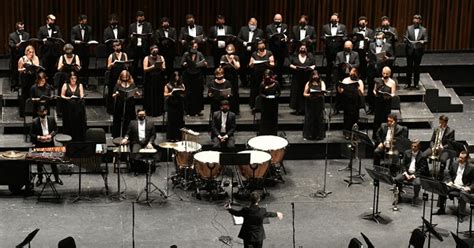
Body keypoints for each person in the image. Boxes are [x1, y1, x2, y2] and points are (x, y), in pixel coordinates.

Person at [30, 106, 62, 186]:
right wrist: (39, 137)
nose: (42, 113)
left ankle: (57, 178)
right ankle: (40, 179)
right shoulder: (34, 122)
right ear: (38, 113)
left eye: (43, 112)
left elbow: (56, 130)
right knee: (39, 163)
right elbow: (31, 134)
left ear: (46, 111)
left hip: (50, 143)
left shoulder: (51, 119)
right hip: (39, 144)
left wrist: (51, 136)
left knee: (53, 162)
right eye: (40, 112)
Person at [435, 151, 474, 215]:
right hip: (453, 185)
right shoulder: (454, 163)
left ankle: (461, 213)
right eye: (459, 157)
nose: (460, 159)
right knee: (442, 188)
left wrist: (469, 187)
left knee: (463, 194)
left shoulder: (471, 167)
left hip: (463, 187)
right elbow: (449, 174)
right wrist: (450, 181)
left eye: (462, 158)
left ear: (466, 159)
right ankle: (441, 209)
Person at [393, 139, 428, 205]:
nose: (413, 148)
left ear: (419, 147)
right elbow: (403, 164)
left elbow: (422, 169)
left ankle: (415, 197)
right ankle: (398, 197)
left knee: (417, 183)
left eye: (415, 146)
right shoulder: (407, 152)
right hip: (407, 173)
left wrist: (413, 175)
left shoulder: (423, 155)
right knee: (397, 179)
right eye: (412, 146)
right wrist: (406, 173)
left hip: (416, 174)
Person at [366, 32, 394, 114]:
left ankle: (380, 108)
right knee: (371, 90)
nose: (378, 40)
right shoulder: (371, 45)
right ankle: (371, 108)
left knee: (381, 90)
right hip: (372, 70)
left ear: (383, 39)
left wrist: (387, 58)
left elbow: (393, 57)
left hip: (382, 72)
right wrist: (367, 58)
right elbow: (368, 55)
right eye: (377, 38)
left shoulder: (388, 46)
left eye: (380, 38)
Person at [180, 41, 207, 116]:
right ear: (190, 47)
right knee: (188, 93)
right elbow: (182, 63)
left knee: (197, 93)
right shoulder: (186, 54)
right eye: (193, 46)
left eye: (196, 46)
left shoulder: (199, 54)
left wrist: (204, 64)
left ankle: (198, 110)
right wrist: (185, 64)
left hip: (197, 75)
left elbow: (204, 62)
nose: (194, 48)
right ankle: (187, 110)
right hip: (188, 75)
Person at [289, 44, 316, 115]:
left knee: (306, 91)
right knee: (297, 92)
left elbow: (314, 65)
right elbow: (290, 64)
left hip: (307, 77)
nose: (303, 49)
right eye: (301, 48)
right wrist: (295, 68)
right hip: (297, 78)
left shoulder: (310, 56)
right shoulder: (295, 55)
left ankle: (306, 109)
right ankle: (298, 109)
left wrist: (310, 68)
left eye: (304, 48)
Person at [237, 17, 264, 87]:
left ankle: (253, 82)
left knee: (254, 68)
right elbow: (238, 38)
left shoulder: (260, 31)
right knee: (242, 68)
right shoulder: (243, 29)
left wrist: (259, 42)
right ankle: (244, 82)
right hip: (244, 52)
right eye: (251, 24)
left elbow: (262, 40)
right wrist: (243, 42)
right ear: (248, 23)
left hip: (254, 53)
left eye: (254, 24)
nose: (253, 26)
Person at [320, 13, 347, 84]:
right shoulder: (325, 27)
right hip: (329, 49)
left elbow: (345, 36)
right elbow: (321, 37)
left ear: (338, 19)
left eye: (335, 19)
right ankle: (328, 82)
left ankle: (339, 82)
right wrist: (325, 38)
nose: (333, 21)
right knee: (329, 66)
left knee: (339, 65)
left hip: (339, 49)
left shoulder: (343, 27)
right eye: (332, 20)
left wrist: (341, 38)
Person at [337, 68, 364, 139]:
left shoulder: (359, 81)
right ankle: (347, 134)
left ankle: (355, 133)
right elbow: (341, 91)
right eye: (352, 72)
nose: (353, 73)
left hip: (355, 102)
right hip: (347, 102)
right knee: (347, 118)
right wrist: (339, 87)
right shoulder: (345, 80)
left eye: (354, 72)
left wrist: (358, 89)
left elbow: (361, 94)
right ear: (349, 73)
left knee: (355, 118)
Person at [112, 70, 139, 138]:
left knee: (129, 119)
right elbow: (113, 95)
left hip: (130, 103)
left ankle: (129, 134)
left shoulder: (132, 84)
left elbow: (136, 93)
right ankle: (117, 135)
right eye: (123, 78)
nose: (125, 79)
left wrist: (136, 93)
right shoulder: (118, 84)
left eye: (126, 78)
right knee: (118, 119)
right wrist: (116, 94)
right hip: (120, 103)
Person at [128, 11, 153, 83]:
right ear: (136, 17)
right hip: (135, 48)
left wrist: (147, 36)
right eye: (140, 16)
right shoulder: (132, 26)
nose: (141, 17)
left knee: (144, 65)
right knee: (134, 66)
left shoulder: (148, 25)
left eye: (142, 16)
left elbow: (151, 35)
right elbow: (129, 36)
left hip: (144, 47)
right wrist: (132, 37)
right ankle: (133, 82)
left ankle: (144, 82)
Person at [60, 72, 86, 141]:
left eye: (75, 78)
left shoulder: (80, 85)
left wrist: (81, 97)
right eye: (72, 78)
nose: (73, 80)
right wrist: (68, 98)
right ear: (69, 79)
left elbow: (82, 95)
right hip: (68, 106)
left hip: (77, 106)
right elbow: (62, 95)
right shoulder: (65, 85)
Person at [404, 14, 428, 90]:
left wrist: (423, 42)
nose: (415, 20)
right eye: (414, 18)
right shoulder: (409, 28)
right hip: (410, 50)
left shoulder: (424, 30)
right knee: (409, 67)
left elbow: (426, 40)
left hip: (418, 51)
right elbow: (406, 37)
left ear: (420, 21)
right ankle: (408, 83)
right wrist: (406, 40)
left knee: (417, 68)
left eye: (417, 19)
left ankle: (416, 84)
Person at [37, 14, 63, 85]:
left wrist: (56, 42)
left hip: (54, 52)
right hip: (45, 52)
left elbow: (59, 38)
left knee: (53, 69)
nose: (53, 21)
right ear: (47, 20)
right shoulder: (41, 29)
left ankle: (52, 84)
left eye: (54, 20)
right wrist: (43, 40)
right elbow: (38, 40)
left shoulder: (56, 28)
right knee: (45, 69)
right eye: (51, 20)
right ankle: (45, 84)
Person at [249, 41, 274, 109]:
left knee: (266, 89)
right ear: (257, 46)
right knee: (256, 89)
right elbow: (250, 65)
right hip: (256, 74)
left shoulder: (269, 53)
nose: (261, 45)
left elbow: (272, 64)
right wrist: (252, 63)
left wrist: (268, 63)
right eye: (259, 44)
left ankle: (266, 105)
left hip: (266, 74)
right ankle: (255, 105)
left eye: (262, 44)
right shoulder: (254, 54)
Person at [17, 45, 40, 117]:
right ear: (26, 52)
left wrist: (33, 64)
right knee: (25, 95)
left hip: (33, 78)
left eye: (33, 52)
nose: (31, 53)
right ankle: (24, 112)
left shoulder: (36, 58)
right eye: (30, 52)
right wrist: (24, 69)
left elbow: (37, 67)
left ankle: (34, 112)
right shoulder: (22, 59)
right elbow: (19, 69)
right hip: (25, 78)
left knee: (33, 94)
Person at [143, 45, 166, 117]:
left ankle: (159, 111)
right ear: (151, 50)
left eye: (156, 49)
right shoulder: (147, 58)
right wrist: (153, 66)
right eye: (154, 50)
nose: (155, 51)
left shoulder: (161, 57)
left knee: (159, 94)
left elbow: (164, 68)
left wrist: (161, 66)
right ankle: (150, 111)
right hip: (150, 78)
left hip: (159, 78)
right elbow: (145, 69)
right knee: (150, 94)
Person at [265, 13, 288, 84]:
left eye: (279, 19)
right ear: (273, 19)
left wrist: (285, 39)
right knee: (272, 66)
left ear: (281, 19)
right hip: (273, 49)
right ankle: (272, 81)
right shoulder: (269, 27)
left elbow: (286, 35)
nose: (277, 20)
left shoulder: (285, 26)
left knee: (280, 66)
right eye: (276, 19)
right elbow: (269, 37)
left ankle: (279, 82)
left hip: (282, 49)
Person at [303, 70, 326, 140]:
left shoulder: (321, 82)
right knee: (310, 118)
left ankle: (319, 135)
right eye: (314, 75)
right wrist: (310, 95)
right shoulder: (308, 83)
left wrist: (319, 94)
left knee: (319, 117)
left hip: (319, 103)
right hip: (310, 103)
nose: (315, 76)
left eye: (316, 75)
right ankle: (309, 135)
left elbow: (323, 92)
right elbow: (304, 93)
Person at [106, 40, 128, 113]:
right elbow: (108, 67)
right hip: (114, 75)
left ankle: (121, 109)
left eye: (119, 45)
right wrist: (112, 64)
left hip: (122, 75)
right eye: (116, 46)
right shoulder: (111, 55)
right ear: (113, 48)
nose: (118, 47)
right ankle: (112, 109)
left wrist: (126, 64)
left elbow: (127, 65)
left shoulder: (124, 55)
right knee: (113, 91)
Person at [70, 14, 93, 87]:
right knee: (77, 67)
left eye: (86, 19)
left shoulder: (89, 28)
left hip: (86, 50)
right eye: (84, 20)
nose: (85, 21)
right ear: (80, 21)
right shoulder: (74, 29)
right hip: (78, 51)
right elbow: (72, 40)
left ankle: (86, 83)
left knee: (86, 67)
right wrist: (78, 42)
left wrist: (91, 42)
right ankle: (78, 82)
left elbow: (90, 38)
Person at [373, 66, 396, 134]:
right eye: (384, 73)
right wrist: (375, 93)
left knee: (385, 119)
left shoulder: (392, 82)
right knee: (377, 119)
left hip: (386, 103)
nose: (385, 75)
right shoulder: (378, 80)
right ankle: (376, 136)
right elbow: (374, 90)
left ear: (390, 74)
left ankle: (384, 135)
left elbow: (393, 93)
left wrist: (389, 96)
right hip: (378, 102)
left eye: (387, 74)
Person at [164, 72, 185, 141]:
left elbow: (184, 93)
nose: (177, 77)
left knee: (179, 121)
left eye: (178, 76)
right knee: (171, 121)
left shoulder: (181, 85)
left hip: (179, 104)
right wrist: (170, 93)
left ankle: (178, 136)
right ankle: (171, 137)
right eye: (175, 76)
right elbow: (165, 94)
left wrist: (182, 93)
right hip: (171, 104)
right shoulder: (168, 85)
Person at [9, 21, 30, 90]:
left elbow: (28, 44)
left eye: (23, 27)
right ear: (17, 28)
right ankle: (14, 85)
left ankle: (23, 84)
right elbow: (10, 44)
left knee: (25, 70)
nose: (22, 29)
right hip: (15, 55)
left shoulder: (27, 34)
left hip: (24, 55)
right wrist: (16, 45)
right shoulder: (12, 35)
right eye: (20, 27)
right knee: (15, 71)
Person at [220, 44, 241, 114]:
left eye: (231, 50)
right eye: (228, 50)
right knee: (226, 93)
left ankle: (234, 110)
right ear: (226, 50)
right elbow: (221, 67)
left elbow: (237, 67)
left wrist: (233, 60)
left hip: (234, 77)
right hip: (226, 77)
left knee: (234, 93)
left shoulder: (236, 57)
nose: (230, 52)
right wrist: (227, 64)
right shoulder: (223, 57)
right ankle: (225, 108)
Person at [351, 16, 374, 81]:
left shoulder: (370, 31)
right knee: (357, 65)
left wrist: (368, 39)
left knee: (364, 66)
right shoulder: (355, 29)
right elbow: (352, 39)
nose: (362, 24)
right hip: (357, 50)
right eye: (360, 22)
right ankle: (355, 78)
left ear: (366, 23)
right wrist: (354, 39)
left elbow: (373, 40)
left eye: (363, 22)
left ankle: (363, 80)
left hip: (365, 50)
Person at [259, 69, 281, 135]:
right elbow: (260, 93)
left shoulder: (276, 83)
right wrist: (265, 97)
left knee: (273, 118)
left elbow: (279, 93)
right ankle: (264, 132)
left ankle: (273, 132)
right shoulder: (262, 84)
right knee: (265, 118)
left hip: (273, 104)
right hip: (265, 104)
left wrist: (275, 96)